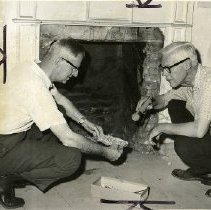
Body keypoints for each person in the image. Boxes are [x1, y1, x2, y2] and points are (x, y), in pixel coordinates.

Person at [0, 38, 125, 208]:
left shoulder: (32, 68)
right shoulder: (35, 87)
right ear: (59, 61)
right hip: (4, 145)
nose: (75, 74)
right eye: (74, 68)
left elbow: (60, 99)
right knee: (71, 158)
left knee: (60, 112)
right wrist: (105, 152)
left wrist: (84, 122)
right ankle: (4, 177)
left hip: (12, 134)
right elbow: (69, 139)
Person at [136, 42, 211, 197]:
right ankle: (202, 169)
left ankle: (204, 166)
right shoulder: (188, 83)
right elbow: (164, 99)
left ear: (187, 64)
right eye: (163, 69)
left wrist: (161, 127)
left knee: (184, 145)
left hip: (203, 129)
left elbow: (199, 130)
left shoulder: (208, 83)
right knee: (175, 104)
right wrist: (149, 102)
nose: (164, 74)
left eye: (168, 68)